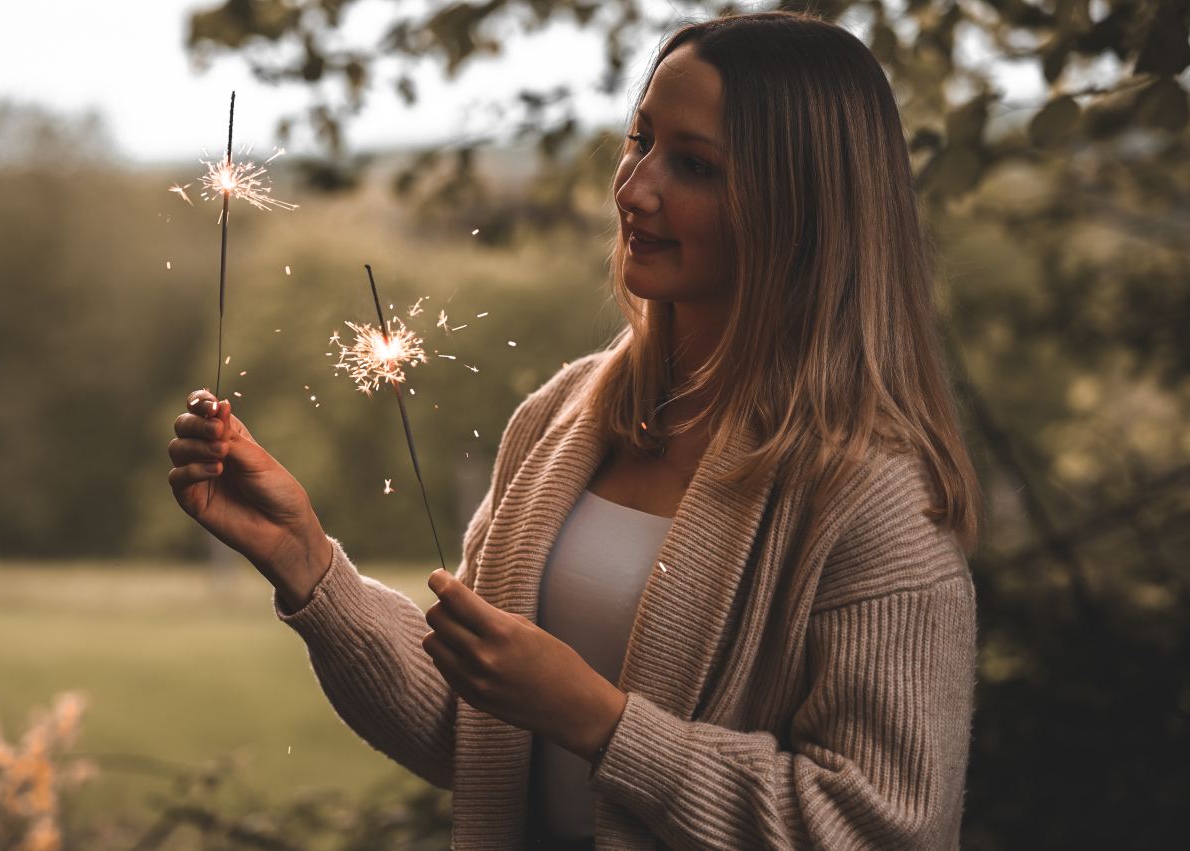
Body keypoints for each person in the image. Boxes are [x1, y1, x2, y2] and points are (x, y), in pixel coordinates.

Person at [168, 10, 981, 850]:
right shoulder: (565, 418)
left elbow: (885, 827)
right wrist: (303, 557)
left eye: (694, 165)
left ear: (801, 208)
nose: (634, 188)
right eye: (641, 140)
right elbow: (472, 734)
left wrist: (599, 721)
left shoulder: (873, 498)